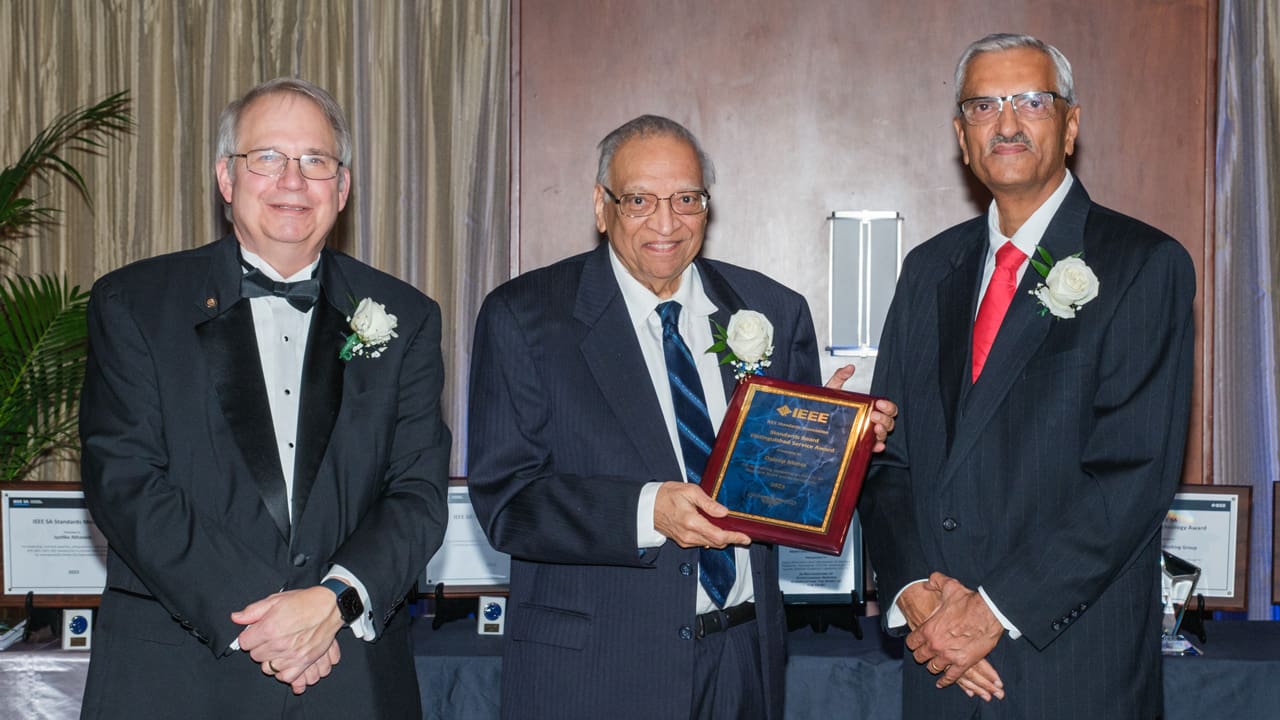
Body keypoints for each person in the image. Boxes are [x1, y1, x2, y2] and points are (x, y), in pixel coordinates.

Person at [467, 114, 895, 719]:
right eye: (639, 200)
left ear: (707, 206)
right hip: (595, 671)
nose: (665, 223)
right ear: (601, 205)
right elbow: (508, 503)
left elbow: (789, 498)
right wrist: (650, 512)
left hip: (745, 661)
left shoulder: (771, 309)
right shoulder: (525, 317)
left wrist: (844, 446)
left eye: (686, 199)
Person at [78, 78, 451, 719]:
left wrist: (333, 600)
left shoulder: (405, 317)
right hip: (177, 676)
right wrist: (276, 618)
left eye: (316, 161)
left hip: (350, 678)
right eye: (268, 158)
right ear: (227, 178)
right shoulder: (134, 303)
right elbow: (125, 482)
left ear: (343, 186)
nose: (293, 180)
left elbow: (417, 493)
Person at [860, 33, 1195, 719]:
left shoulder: (1142, 264)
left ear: (1070, 126)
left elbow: (1132, 478)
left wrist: (992, 612)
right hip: (939, 667)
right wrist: (916, 594)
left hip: (1069, 666)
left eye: (1030, 102)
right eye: (983, 106)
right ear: (961, 135)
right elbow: (888, 459)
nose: (1006, 123)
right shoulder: (928, 271)